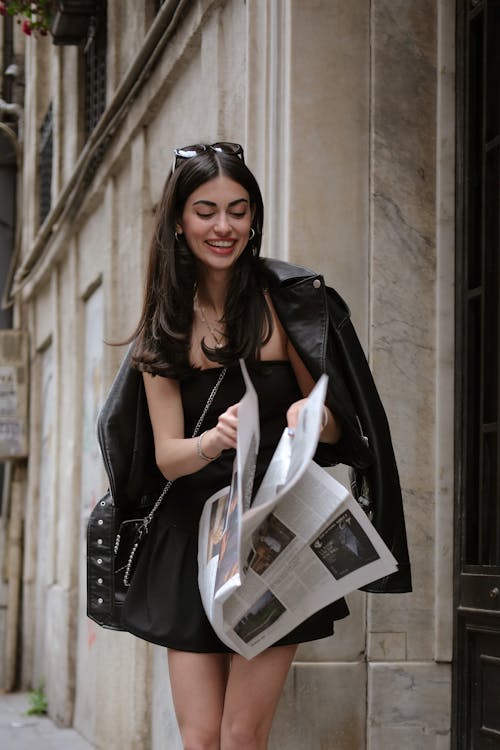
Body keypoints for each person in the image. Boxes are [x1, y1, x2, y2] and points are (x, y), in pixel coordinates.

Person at [102, 141, 411, 749]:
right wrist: (213, 441)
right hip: (191, 539)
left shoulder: (289, 302)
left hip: (279, 534)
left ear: (254, 217)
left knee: (243, 735)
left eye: (238, 210)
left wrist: (310, 416)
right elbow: (166, 456)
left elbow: (334, 422)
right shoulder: (164, 323)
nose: (224, 226)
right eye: (207, 210)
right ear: (179, 220)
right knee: (202, 739)